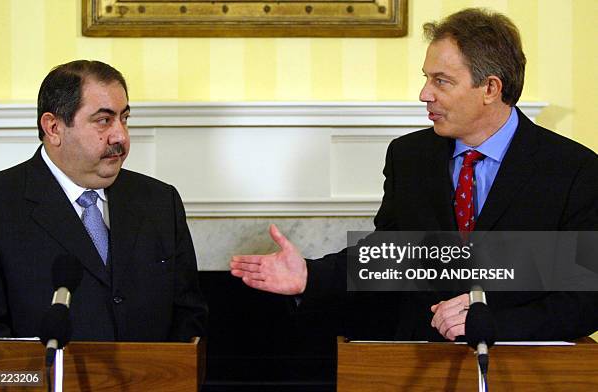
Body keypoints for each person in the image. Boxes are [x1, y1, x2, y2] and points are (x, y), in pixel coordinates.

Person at [230, 8, 598, 341]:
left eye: (442, 81)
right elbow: (391, 252)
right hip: (419, 360)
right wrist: (311, 277)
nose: (424, 93)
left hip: (526, 366)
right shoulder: (410, 156)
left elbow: (586, 299)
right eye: (426, 78)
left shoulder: (574, 171)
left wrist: (493, 325)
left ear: (490, 88)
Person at [0, 60, 207, 341]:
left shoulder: (160, 202)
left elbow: (189, 317)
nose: (121, 136)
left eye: (124, 118)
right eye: (104, 120)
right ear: (53, 128)